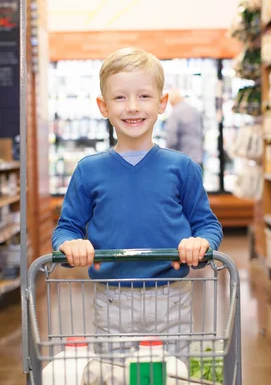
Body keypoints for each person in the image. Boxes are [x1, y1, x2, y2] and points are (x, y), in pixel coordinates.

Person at [51, 47, 223, 356]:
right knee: (117, 380)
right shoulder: (88, 170)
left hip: (173, 298)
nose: (132, 107)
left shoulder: (182, 167)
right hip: (112, 300)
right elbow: (66, 229)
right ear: (103, 106)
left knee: (172, 379)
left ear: (162, 103)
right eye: (119, 98)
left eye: (144, 96)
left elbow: (207, 224)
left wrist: (201, 243)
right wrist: (70, 245)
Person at [165, 88, 204, 167]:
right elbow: (202, 133)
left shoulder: (175, 113)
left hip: (182, 161)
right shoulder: (195, 111)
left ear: (171, 102)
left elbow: (171, 139)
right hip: (197, 158)